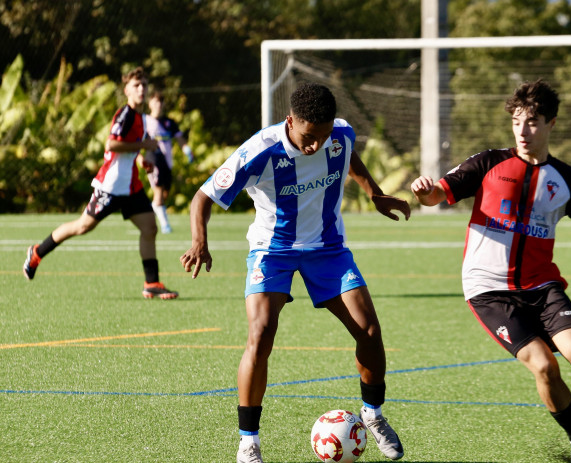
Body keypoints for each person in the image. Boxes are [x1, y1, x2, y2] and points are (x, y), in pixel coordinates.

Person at [410, 79, 571, 463]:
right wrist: (424, 193)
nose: (523, 130)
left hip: (541, 285)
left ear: (551, 123)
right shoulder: (489, 163)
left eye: (532, 121)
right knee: (544, 365)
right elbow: (438, 193)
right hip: (489, 290)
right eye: (517, 121)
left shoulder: (567, 179)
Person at [180, 82, 410, 463]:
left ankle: (373, 414)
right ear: (290, 121)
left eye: (322, 137)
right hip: (273, 250)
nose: (315, 146)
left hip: (327, 248)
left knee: (369, 330)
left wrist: (374, 192)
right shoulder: (261, 150)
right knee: (261, 332)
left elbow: (348, 156)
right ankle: (248, 441)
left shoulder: (341, 133)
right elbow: (203, 196)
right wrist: (198, 241)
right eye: (308, 137)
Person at [23, 67, 179, 300]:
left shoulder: (142, 118)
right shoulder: (125, 115)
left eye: (144, 84)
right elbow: (111, 145)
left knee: (150, 228)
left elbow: (137, 146)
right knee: (82, 227)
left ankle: (152, 282)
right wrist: (143, 147)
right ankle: (37, 252)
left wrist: (146, 160)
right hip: (112, 185)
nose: (141, 89)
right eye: (137, 85)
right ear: (126, 90)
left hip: (131, 186)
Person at [144, 89, 194, 234]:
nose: (158, 104)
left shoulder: (169, 123)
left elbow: (180, 139)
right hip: (153, 160)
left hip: (167, 162)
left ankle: (147, 216)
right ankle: (165, 225)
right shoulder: (146, 121)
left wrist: (187, 150)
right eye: (155, 101)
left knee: (165, 194)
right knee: (158, 192)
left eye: (161, 101)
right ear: (150, 104)